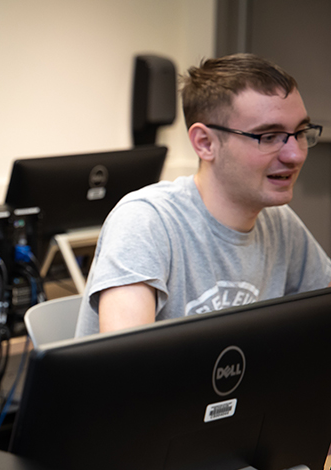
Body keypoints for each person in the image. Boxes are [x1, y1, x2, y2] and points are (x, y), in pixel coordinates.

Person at [75, 53, 331, 337]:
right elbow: (124, 368)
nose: (295, 154)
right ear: (205, 143)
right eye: (268, 137)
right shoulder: (145, 221)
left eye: (300, 132)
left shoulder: (280, 223)